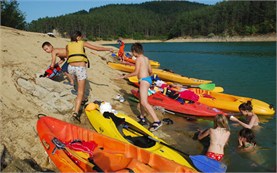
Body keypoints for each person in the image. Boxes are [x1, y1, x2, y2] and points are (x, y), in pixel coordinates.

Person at [66, 31, 113, 122]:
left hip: (70, 68)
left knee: (77, 84)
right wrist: (108, 49)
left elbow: (68, 56)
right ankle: (76, 112)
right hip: (80, 67)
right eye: (81, 37)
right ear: (78, 37)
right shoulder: (82, 43)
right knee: (80, 91)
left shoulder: (68, 45)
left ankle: (82, 99)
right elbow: (97, 48)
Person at [118, 43, 162, 131]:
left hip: (144, 81)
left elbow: (136, 72)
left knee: (144, 102)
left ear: (134, 51)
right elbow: (150, 71)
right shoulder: (146, 58)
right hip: (148, 80)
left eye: (132, 52)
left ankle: (157, 121)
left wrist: (124, 76)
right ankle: (142, 117)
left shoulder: (138, 59)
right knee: (141, 100)